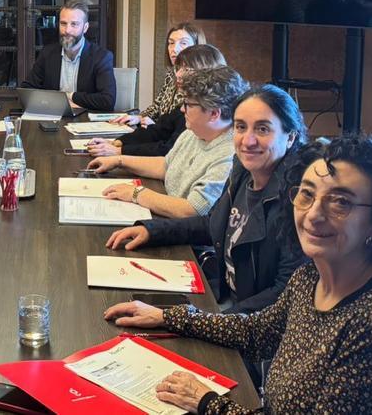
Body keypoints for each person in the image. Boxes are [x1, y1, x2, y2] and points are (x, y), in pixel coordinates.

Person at [104, 135, 372, 414]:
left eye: (340, 202)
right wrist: (168, 316)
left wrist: (207, 402)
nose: (313, 215)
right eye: (306, 195)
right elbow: (257, 332)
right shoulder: (311, 277)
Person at [105, 84, 307, 313]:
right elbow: (213, 224)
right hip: (222, 300)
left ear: (290, 137)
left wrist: (203, 321)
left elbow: (283, 296)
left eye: (262, 129)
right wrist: (153, 231)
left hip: (245, 323)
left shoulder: (299, 200)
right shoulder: (242, 170)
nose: (248, 141)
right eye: (241, 127)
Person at [88, 68, 247, 218]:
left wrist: (136, 194)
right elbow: (166, 165)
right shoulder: (194, 132)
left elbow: (192, 210)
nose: (182, 110)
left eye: (189, 105)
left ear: (214, 113)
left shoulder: (229, 155)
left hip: (186, 243)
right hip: (167, 219)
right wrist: (119, 161)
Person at [89, 44, 226, 158]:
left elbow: (168, 150)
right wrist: (117, 143)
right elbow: (157, 131)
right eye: (178, 69)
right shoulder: (183, 105)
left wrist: (119, 152)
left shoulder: (200, 110)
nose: (177, 74)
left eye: (186, 69)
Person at [21, 0, 116, 111]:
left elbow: (107, 100)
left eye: (74, 24)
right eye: (63, 23)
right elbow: (27, 90)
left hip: (84, 122)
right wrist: (57, 102)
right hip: (52, 117)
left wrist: (69, 96)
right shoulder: (47, 53)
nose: (67, 30)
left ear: (85, 28)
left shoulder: (102, 57)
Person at [115, 22, 206, 128]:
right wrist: (138, 117)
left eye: (183, 43)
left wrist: (156, 126)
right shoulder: (172, 74)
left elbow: (184, 128)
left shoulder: (202, 81)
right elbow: (157, 107)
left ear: (198, 47)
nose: (174, 49)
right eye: (171, 43)